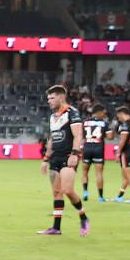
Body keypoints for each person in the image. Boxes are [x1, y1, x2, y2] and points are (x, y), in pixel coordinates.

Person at [38, 85, 89, 236]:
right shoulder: (53, 116)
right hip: (55, 157)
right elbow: (52, 139)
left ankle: (83, 216)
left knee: (67, 190)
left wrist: (75, 153)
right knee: (56, 192)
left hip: (68, 156)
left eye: (52, 98)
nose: (49, 101)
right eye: (48, 99)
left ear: (61, 97)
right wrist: (46, 158)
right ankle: (56, 228)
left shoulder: (72, 113)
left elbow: (78, 135)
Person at [80, 104, 108, 202]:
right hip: (98, 149)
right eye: (103, 112)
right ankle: (100, 197)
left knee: (84, 172)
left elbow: (81, 135)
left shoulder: (85, 122)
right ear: (98, 112)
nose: (104, 114)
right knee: (99, 173)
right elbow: (109, 137)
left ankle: (85, 193)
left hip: (87, 148)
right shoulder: (104, 123)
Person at [113, 106, 130, 202]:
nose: (119, 118)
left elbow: (123, 140)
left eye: (119, 116)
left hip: (127, 151)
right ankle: (120, 196)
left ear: (122, 113)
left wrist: (118, 152)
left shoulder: (124, 125)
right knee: (126, 175)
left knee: (128, 175)